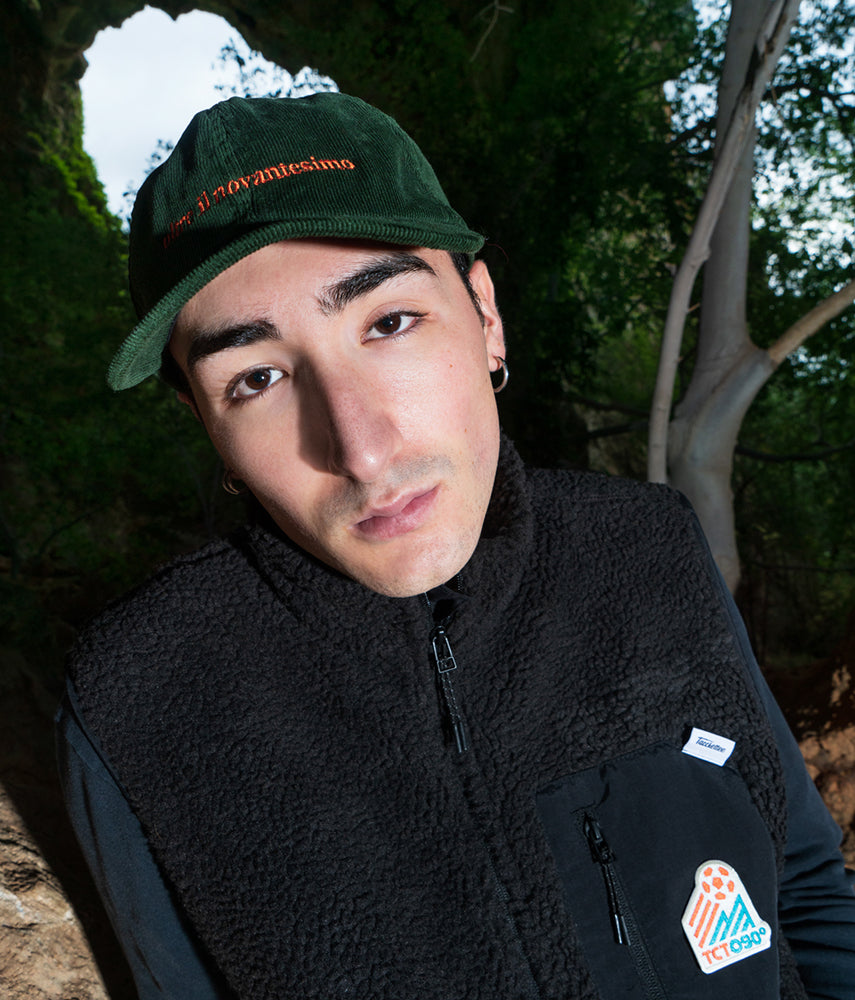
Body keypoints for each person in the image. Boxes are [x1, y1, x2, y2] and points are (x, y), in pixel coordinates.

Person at [57, 92, 855, 1000]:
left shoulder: (649, 546)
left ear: (484, 315)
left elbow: (803, 888)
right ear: (206, 423)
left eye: (388, 323)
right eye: (257, 377)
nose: (360, 450)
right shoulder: (139, 698)